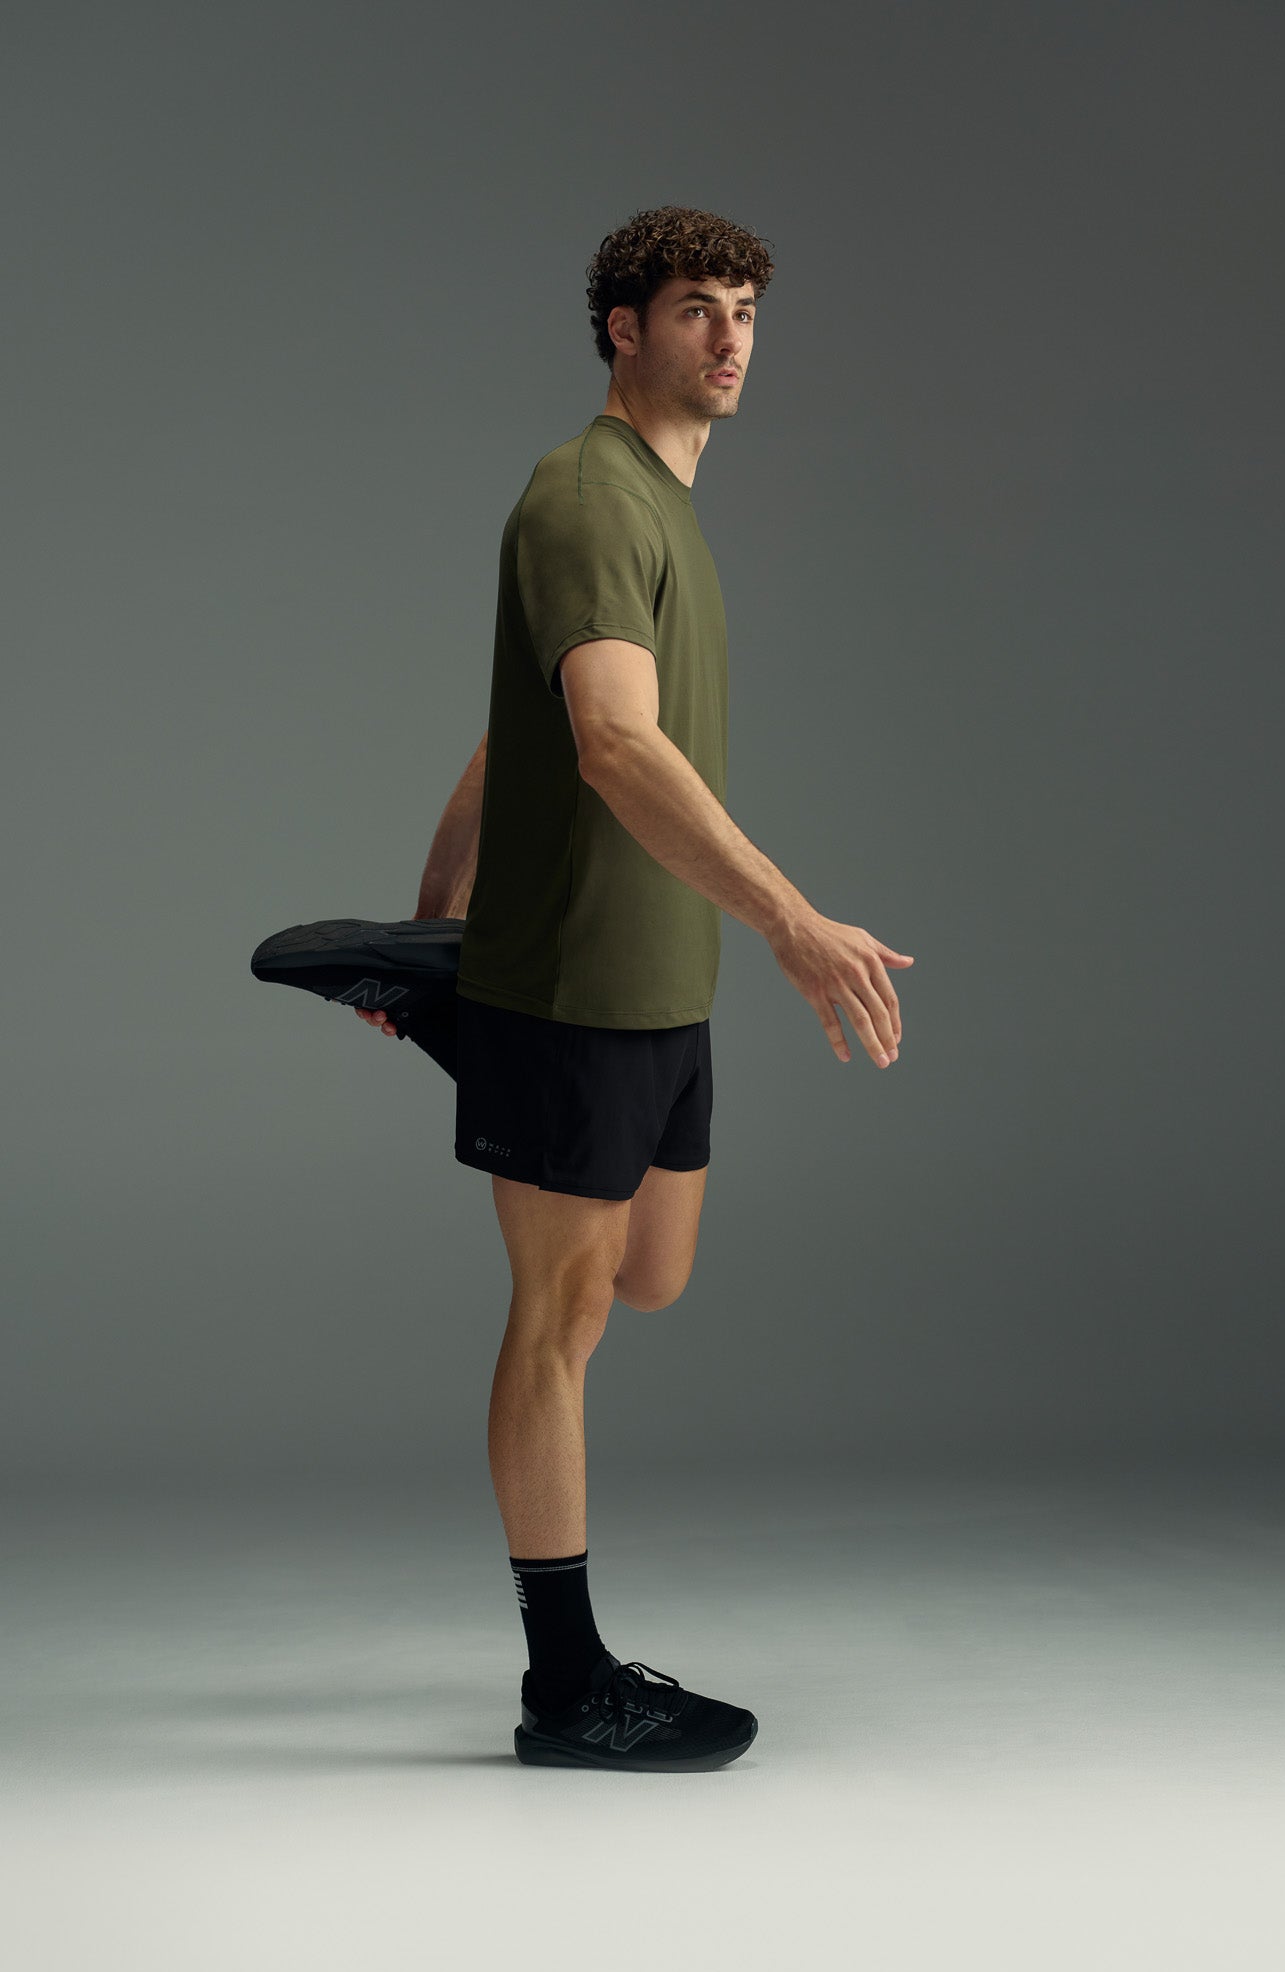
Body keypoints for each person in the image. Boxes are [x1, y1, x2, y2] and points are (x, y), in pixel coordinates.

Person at [356, 204, 913, 1770]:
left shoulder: (667, 507)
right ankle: (564, 1681)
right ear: (621, 328)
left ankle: (442, 1000)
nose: (727, 336)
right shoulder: (584, 495)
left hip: (657, 981)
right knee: (560, 1313)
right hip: (575, 987)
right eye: (693, 307)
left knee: (646, 1276)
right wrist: (794, 921)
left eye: (743, 309)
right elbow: (604, 743)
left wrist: (427, 913)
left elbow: (512, 734)